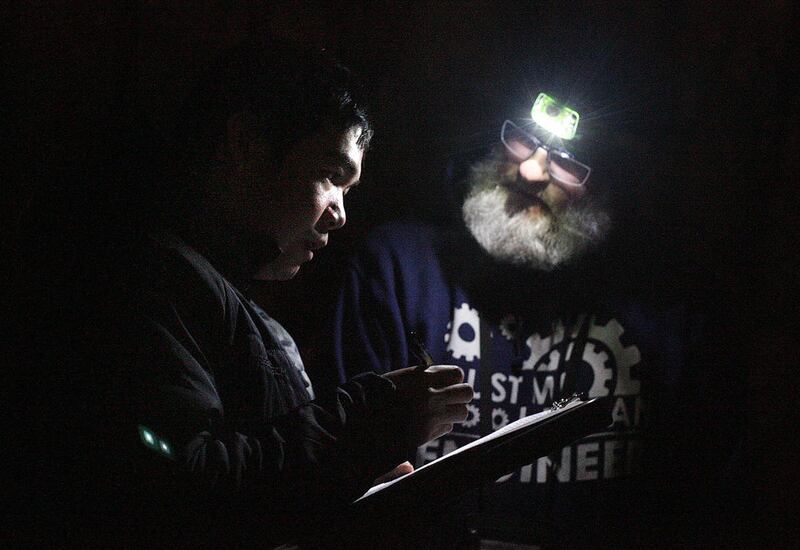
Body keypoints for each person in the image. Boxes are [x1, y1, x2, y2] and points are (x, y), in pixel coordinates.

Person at [5, 38, 473, 548]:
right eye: (331, 176)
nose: (340, 213)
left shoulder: (212, 290)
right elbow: (184, 494)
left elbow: (264, 489)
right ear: (246, 143)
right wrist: (373, 420)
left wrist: (349, 490)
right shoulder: (130, 278)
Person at [325, 102, 741, 547]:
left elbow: (700, 486)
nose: (531, 171)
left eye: (568, 161)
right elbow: (345, 464)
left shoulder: (668, 304)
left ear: (612, 180)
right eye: (521, 138)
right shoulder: (400, 268)